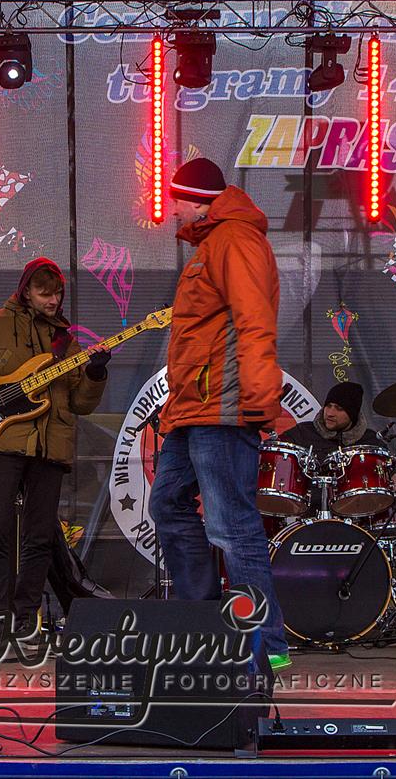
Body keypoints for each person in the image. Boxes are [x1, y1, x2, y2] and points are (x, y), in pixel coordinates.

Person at [149, 158, 292, 672]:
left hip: (224, 408)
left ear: (197, 199)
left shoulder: (235, 239)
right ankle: (205, 626)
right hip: (193, 410)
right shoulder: (212, 244)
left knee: (233, 528)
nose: (172, 210)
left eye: (177, 200)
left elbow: (255, 322)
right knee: (167, 504)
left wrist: (258, 398)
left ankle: (267, 647)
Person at [0, 258, 109, 656]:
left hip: (50, 447)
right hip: (1, 442)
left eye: (58, 294)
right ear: (26, 292)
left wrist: (95, 375)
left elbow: (81, 405)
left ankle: (25, 623)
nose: (52, 301)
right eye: (44, 293)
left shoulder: (65, 343)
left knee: (38, 539)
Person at [279, 381, 381, 462]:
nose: (330, 413)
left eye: (339, 408)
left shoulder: (371, 443)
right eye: (328, 406)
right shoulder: (302, 433)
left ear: (352, 414)